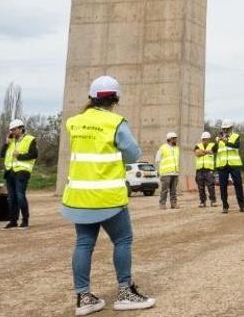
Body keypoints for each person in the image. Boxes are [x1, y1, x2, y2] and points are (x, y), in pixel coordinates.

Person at [61, 75, 155, 314]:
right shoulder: (115, 123)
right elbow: (133, 154)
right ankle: (124, 293)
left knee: (84, 244)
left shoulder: (75, 122)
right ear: (116, 98)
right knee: (122, 240)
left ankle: (83, 298)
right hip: (107, 198)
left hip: (79, 197)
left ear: (91, 97)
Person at [2, 118, 37, 230]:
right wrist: (6, 144)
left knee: (20, 196)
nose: (12, 132)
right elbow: (2, 155)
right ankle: (13, 221)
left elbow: (34, 154)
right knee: (12, 198)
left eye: (14, 129)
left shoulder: (30, 139)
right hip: (10, 171)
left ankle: (25, 220)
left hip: (22, 171)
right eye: (11, 130)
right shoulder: (10, 141)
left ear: (21, 129)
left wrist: (20, 156)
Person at [214, 121, 244, 214]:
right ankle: (225, 207)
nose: (225, 130)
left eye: (227, 128)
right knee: (223, 187)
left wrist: (225, 141)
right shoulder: (218, 138)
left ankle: (242, 206)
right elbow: (214, 150)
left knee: (238, 185)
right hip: (222, 165)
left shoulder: (236, 136)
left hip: (234, 164)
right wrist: (217, 141)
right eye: (224, 129)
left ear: (231, 128)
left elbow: (236, 146)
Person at [155, 132, 179, 210]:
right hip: (166, 173)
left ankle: (174, 204)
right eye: (174, 138)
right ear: (170, 139)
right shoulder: (163, 148)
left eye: (176, 138)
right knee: (164, 190)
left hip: (175, 173)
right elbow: (157, 159)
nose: (176, 140)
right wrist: (159, 170)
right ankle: (162, 204)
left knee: (173, 190)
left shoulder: (176, 148)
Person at [193, 132, 217, 208]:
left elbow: (212, 152)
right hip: (200, 170)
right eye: (203, 139)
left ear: (208, 139)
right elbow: (197, 154)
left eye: (206, 139)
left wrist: (202, 152)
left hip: (209, 169)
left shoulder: (213, 145)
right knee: (201, 187)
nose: (204, 140)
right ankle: (203, 201)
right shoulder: (197, 145)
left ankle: (213, 201)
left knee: (211, 186)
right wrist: (207, 152)